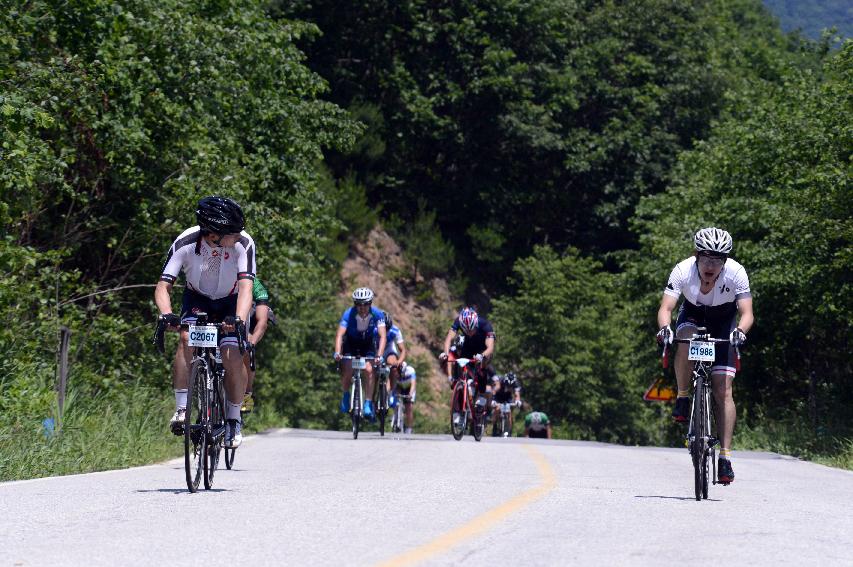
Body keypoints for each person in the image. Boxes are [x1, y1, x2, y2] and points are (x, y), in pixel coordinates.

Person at [155, 196, 256, 448]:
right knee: (186, 338)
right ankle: (181, 408)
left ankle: (233, 419)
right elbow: (163, 286)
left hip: (232, 301)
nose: (238, 235)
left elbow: (246, 288)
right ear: (212, 235)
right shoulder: (185, 243)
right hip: (197, 298)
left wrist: (240, 320)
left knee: (232, 352)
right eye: (232, 232)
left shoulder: (243, 244)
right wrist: (166, 314)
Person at [656, 227, 754, 484]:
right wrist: (665, 328)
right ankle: (683, 396)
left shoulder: (736, 273)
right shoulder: (682, 270)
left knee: (723, 391)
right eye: (707, 258)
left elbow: (747, 313)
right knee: (684, 339)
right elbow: (666, 307)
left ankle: (725, 457)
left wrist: (740, 332)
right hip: (693, 314)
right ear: (696, 256)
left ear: (725, 261)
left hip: (724, 321)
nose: (711, 265)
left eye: (718, 260)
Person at [334, 287, 387, 420]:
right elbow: (340, 335)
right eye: (358, 304)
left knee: (369, 370)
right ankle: (346, 395)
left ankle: (368, 403)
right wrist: (337, 352)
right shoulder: (348, 314)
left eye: (365, 304)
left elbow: (383, 336)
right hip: (351, 343)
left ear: (370, 303)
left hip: (367, 344)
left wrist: (379, 355)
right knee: (347, 368)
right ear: (355, 304)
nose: (362, 307)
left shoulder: (378, 314)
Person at [439, 307, 497, 412]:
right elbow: (448, 339)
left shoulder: (485, 324)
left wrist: (482, 355)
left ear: (475, 323)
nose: (469, 332)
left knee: (482, 364)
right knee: (458, 362)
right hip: (468, 346)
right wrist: (446, 354)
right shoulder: (458, 321)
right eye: (466, 330)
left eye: (472, 329)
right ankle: (460, 393)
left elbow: (490, 348)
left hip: (483, 348)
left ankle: (482, 395)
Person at [241, 278, 276, 413]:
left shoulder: (257, 287)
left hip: (252, 320)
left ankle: (246, 394)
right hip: (228, 315)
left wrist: (252, 343)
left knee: (247, 348)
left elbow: (262, 322)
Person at [376, 312, 407, 408]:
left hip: (389, 350)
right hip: (376, 349)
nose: (385, 331)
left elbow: (403, 350)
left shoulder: (395, 330)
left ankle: (392, 391)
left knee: (393, 366)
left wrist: (399, 361)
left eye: (387, 329)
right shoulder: (373, 329)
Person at [491, 371, 522, 436]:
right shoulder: (500, 380)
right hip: (498, 396)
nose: (509, 386)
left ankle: (509, 430)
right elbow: (495, 389)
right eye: (507, 385)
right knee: (497, 409)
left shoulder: (516, 383)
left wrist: (518, 401)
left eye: (511, 386)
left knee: (509, 412)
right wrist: (493, 399)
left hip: (507, 398)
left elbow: (517, 394)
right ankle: (494, 426)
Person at [396, 362, 417, 434]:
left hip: (409, 388)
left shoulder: (411, 371)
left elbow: (413, 384)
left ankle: (409, 428)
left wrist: (410, 394)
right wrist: (397, 394)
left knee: (409, 408)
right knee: (396, 403)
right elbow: (397, 385)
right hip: (401, 387)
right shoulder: (396, 372)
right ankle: (396, 421)